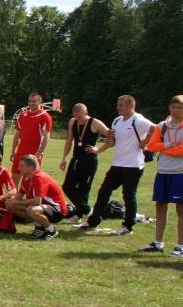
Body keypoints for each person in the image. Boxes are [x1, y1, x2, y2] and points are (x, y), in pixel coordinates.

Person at [77, 95, 154, 236]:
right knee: (104, 192)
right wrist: (110, 138)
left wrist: (146, 141)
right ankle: (92, 222)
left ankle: (128, 226)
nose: (118, 107)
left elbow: (156, 129)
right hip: (117, 164)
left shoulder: (138, 120)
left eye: (121, 105)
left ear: (131, 106)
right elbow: (112, 143)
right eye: (118, 105)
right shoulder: (117, 121)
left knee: (128, 196)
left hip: (133, 166)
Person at [140, 95, 183, 256]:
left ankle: (180, 246)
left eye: (180, 107)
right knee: (160, 206)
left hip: (180, 173)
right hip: (163, 171)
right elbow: (151, 146)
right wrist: (167, 145)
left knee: (181, 209)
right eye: (174, 107)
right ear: (169, 108)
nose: (176, 110)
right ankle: (158, 243)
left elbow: (182, 150)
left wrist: (163, 148)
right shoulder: (162, 126)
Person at [58, 103, 109, 222]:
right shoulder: (72, 122)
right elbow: (69, 141)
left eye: (79, 116)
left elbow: (111, 137)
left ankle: (79, 214)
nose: (77, 119)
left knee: (84, 188)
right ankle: (87, 210)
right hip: (76, 159)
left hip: (89, 161)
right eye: (75, 116)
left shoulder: (95, 122)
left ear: (86, 113)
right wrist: (64, 157)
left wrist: (98, 150)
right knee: (67, 186)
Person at [6, 154, 68, 240]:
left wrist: (16, 202)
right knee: (13, 206)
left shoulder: (39, 177)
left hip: (58, 209)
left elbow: (37, 201)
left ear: (30, 167)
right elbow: (19, 195)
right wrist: (10, 202)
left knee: (31, 209)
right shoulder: (26, 177)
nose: (19, 168)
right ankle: (40, 228)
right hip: (43, 206)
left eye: (21, 166)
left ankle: (51, 229)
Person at [10, 92, 52, 186]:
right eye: (30, 101)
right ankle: (13, 199)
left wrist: (39, 152)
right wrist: (13, 151)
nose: (31, 103)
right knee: (14, 177)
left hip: (34, 153)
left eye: (34, 101)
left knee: (31, 180)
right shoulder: (23, 114)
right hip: (20, 152)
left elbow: (46, 137)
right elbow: (17, 134)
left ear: (39, 102)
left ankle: (30, 199)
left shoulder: (45, 116)